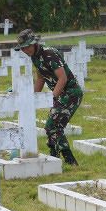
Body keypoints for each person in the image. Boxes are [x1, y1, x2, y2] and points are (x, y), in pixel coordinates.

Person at [16, 29, 83, 165]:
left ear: (34, 44)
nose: (25, 50)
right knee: (52, 126)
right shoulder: (35, 56)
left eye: (27, 46)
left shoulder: (49, 53)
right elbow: (41, 78)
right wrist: (33, 98)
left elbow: (62, 78)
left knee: (52, 125)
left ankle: (69, 160)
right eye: (22, 48)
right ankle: (54, 156)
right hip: (60, 94)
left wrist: (52, 97)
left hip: (70, 93)